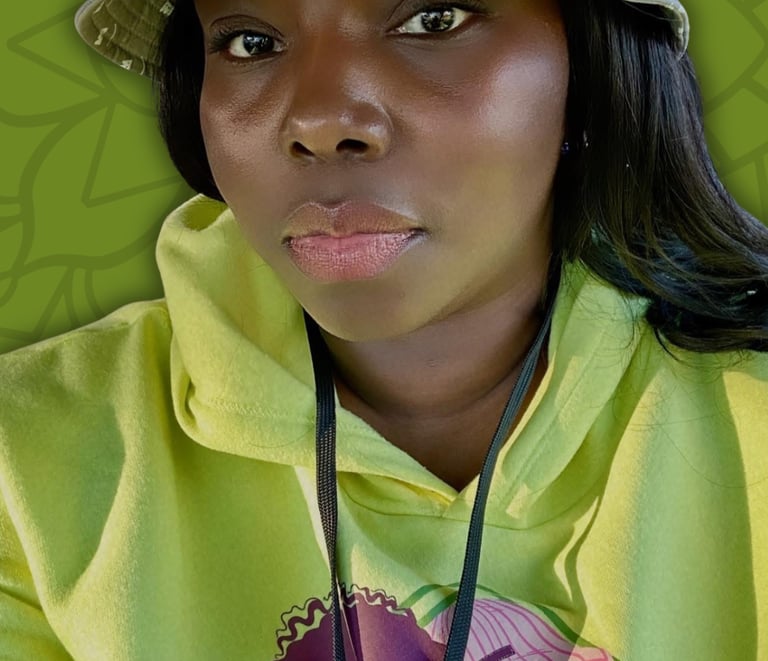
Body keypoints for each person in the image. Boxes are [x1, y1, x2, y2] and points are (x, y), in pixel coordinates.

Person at [1, 0, 767, 658]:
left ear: (597, 70)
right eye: (250, 41)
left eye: (433, 19)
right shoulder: (25, 464)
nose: (324, 119)